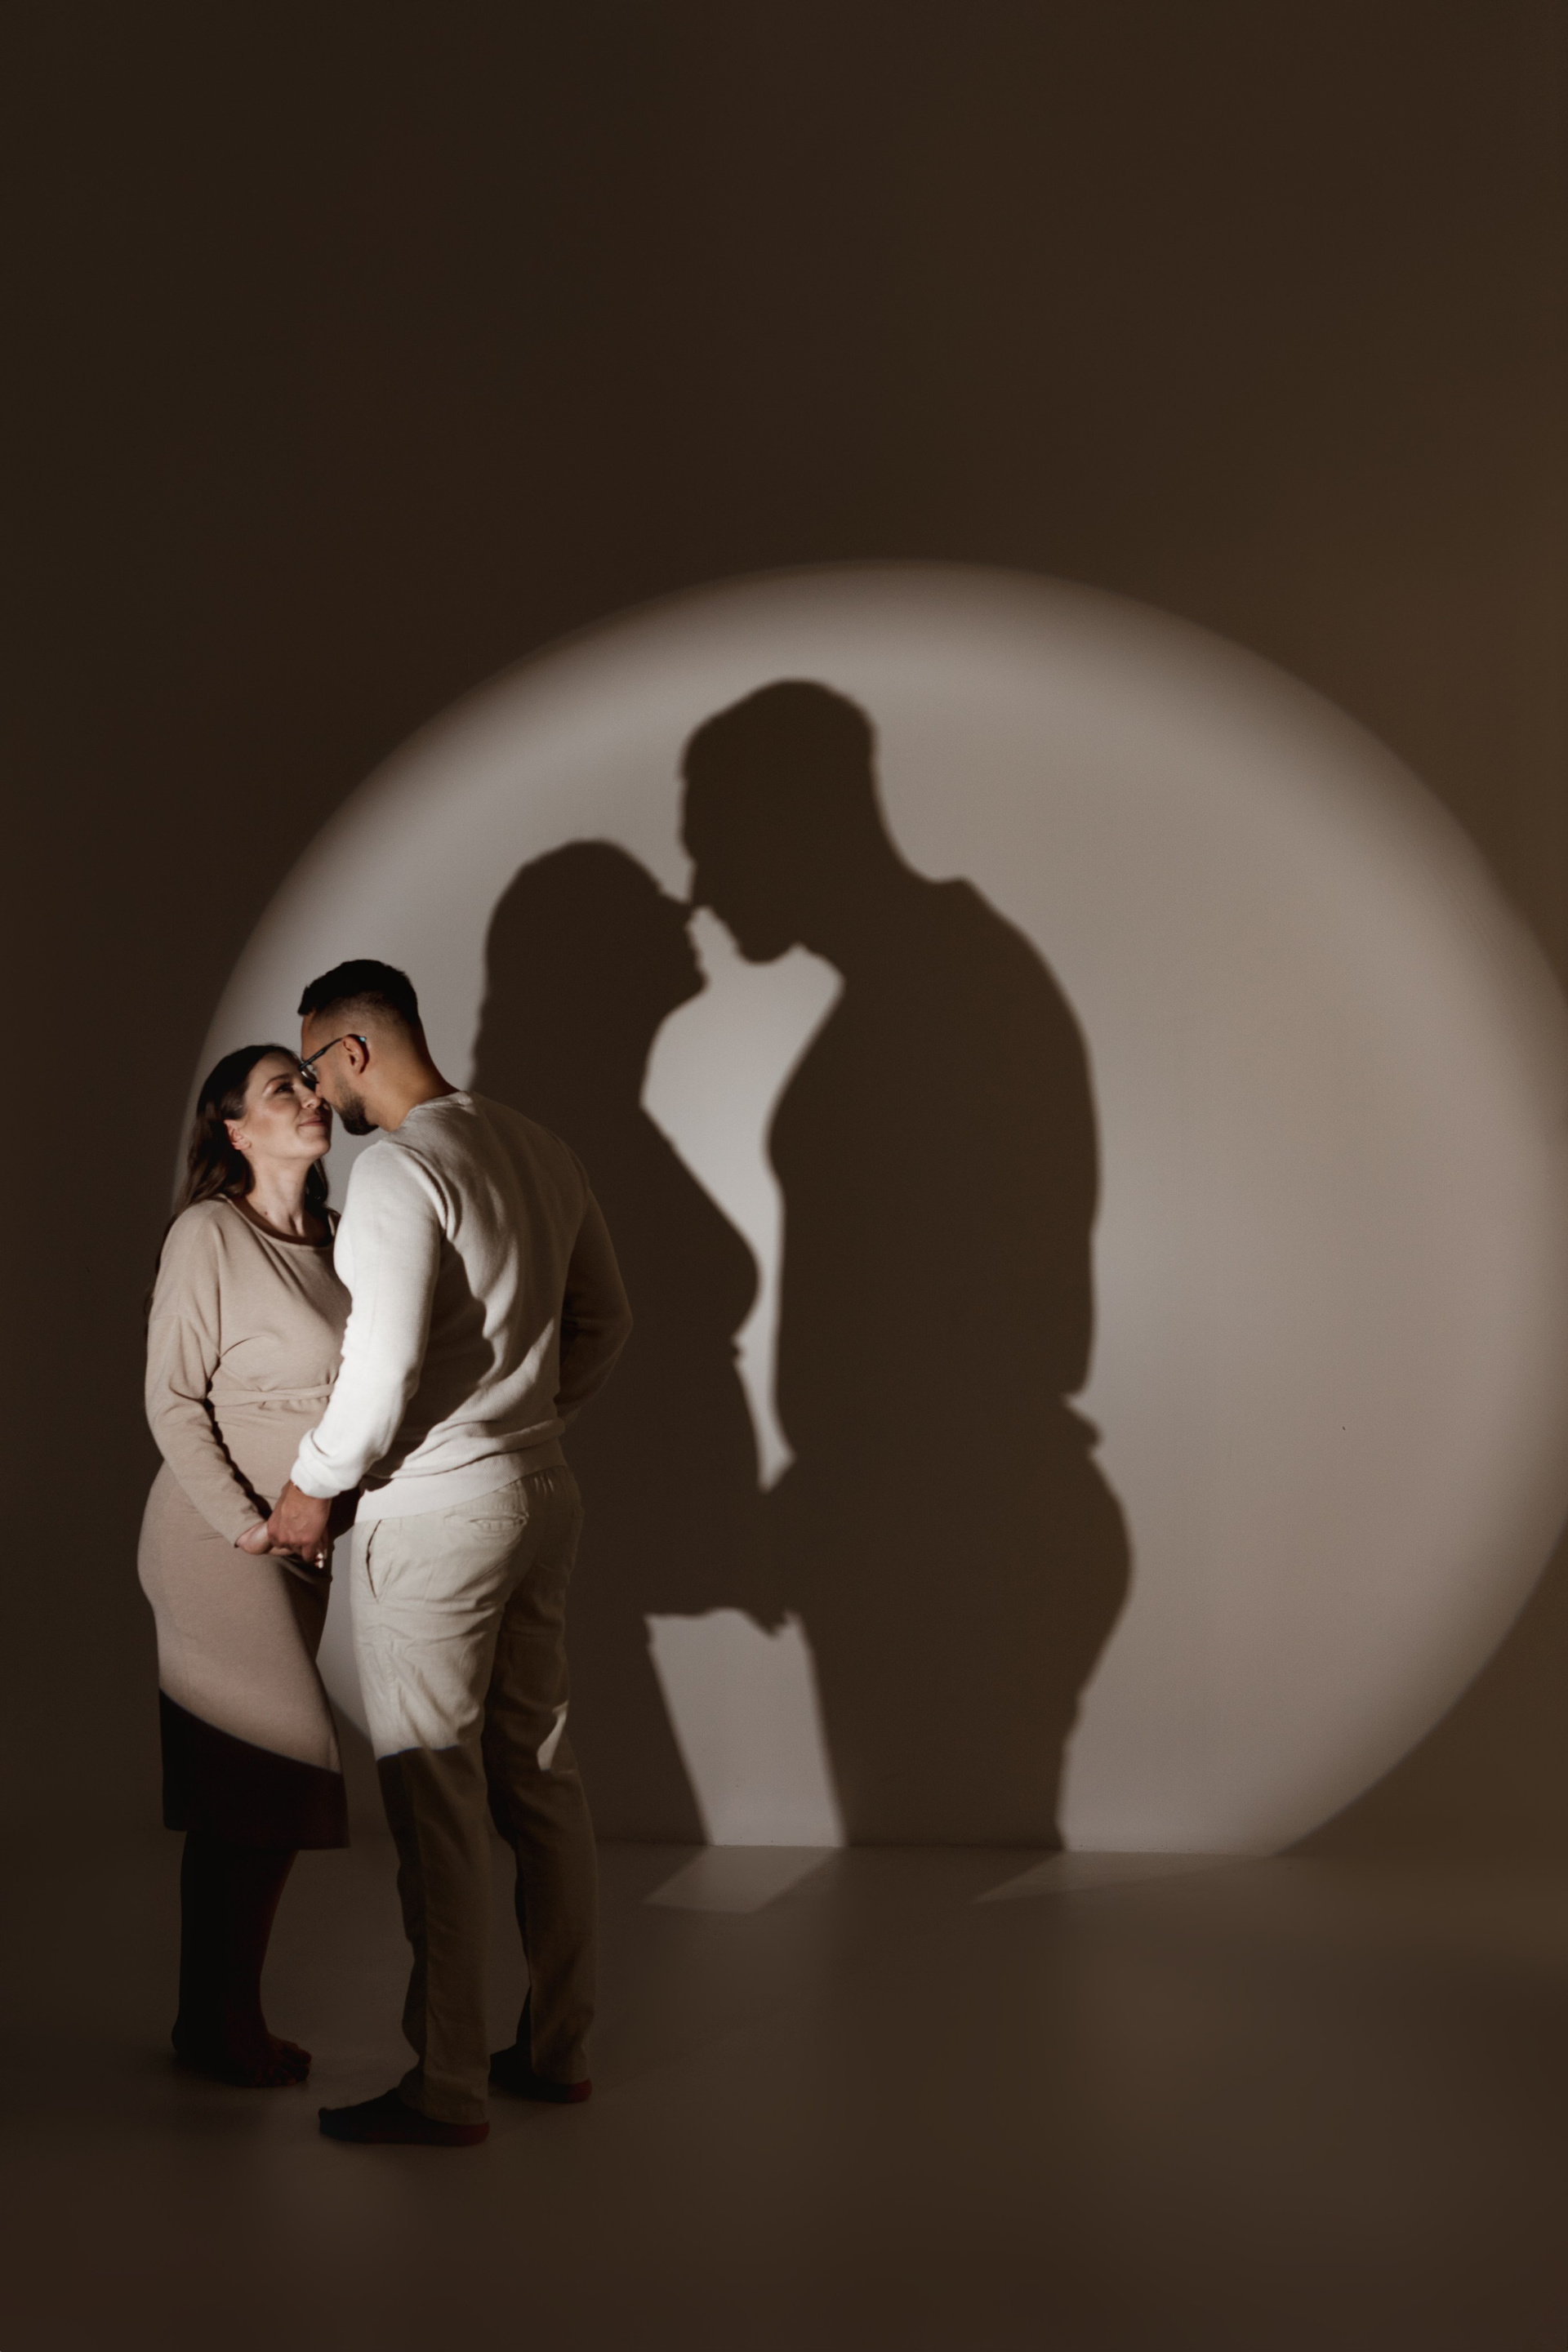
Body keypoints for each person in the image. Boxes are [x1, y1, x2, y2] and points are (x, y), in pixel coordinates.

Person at [680, 680, 1130, 1847]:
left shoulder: (948, 994)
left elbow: (976, 1316)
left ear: (788, 821)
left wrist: (847, 1495)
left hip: (955, 1544)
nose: (700, 887)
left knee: (936, 1906)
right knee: (938, 1903)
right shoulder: (939, 980)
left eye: (712, 843)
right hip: (939, 1531)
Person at [244, 958, 631, 2148]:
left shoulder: (403, 1169)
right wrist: (527, 1424)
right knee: (541, 1780)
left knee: (438, 1797)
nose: (317, 1094)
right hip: (542, 1497)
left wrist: (310, 1490)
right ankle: (558, 2052)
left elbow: (384, 1367)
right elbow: (607, 1319)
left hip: (440, 1520)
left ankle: (447, 2086)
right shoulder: (539, 1147)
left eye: (316, 1068)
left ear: (353, 1051)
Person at [471, 841, 767, 1841]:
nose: (684, 910)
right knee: (585, 1836)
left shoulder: (594, 1119)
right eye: (649, 902)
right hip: (572, 1548)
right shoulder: (555, 1130)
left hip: (595, 1550)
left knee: (603, 1844)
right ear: (591, 953)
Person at [140, 1044, 350, 2088]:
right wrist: (250, 1527)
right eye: (283, 1089)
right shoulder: (209, 1234)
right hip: (218, 1539)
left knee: (244, 1794)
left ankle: (213, 2021)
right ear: (234, 1128)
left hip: (299, 1549)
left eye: (310, 1083)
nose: (310, 1097)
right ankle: (224, 2024)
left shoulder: (340, 1240)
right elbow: (171, 1399)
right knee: (273, 1772)